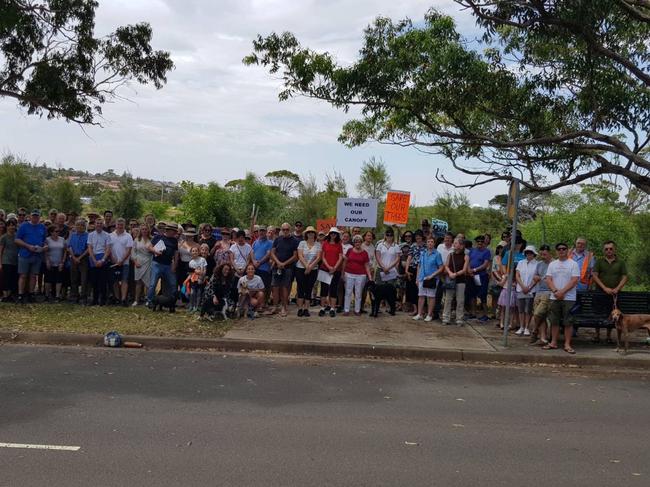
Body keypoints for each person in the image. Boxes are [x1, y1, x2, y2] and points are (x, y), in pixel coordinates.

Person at [543, 243, 580, 354]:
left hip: (569, 297)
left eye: (564, 249)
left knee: (568, 322)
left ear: (567, 250)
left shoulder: (573, 264)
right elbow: (548, 279)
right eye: (559, 249)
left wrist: (562, 292)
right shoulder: (552, 264)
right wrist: (555, 291)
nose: (561, 250)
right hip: (554, 297)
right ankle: (553, 342)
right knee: (554, 320)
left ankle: (567, 344)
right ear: (556, 251)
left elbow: (574, 280)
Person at [592, 240, 628, 344]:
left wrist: (617, 288)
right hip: (600, 292)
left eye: (611, 249)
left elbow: (625, 277)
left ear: (614, 249)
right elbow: (594, 275)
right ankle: (597, 335)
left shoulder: (621, 262)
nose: (609, 251)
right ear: (604, 250)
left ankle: (608, 336)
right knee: (597, 313)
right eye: (606, 249)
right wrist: (604, 288)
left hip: (614, 293)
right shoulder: (599, 262)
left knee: (612, 314)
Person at [15, 209, 48, 303]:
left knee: (34, 276)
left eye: (37, 216)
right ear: (30, 216)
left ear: (39, 217)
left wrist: (45, 246)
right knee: (23, 275)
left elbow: (45, 240)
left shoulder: (42, 227)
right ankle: (21, 295)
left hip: (37, 255)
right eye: (33, 216)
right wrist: (28, 246)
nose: (35, 217)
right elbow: (17, 240)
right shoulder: (23, 226)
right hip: (24, 254)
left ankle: (31, 294)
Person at [270, 222, 299, 317]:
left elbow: (295, 256)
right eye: (283, 229)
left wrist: (284, 263)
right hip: (276, 267)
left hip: (288, 268)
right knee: (275, 287)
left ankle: (284, 307)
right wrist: (278, 262)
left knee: (285, 287)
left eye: (287, 229)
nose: (285, 231)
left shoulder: (294, 241)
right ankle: (275, 306)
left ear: (290, 230)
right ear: (281, 230)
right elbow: (273, 252)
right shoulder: (277, 239)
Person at [147, 224, 179, 306]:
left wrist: (175, 264)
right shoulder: (158, 237)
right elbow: (149, 247)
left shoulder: (174, 240)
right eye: (174, 231)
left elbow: (176, 253)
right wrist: (155, 251)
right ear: (169, 230)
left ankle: (172, 301)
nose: (175, 233)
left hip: (168, 265)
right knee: (153, 284)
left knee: (173, 283)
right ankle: (150, 301)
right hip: (157, 264)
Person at [414, 235, 445, 321]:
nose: (430, 243)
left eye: (432, 242)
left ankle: (429, 314)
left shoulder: (437, 254)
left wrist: (432, 275)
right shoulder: (423, 253)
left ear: (434, 243)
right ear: (426, 243)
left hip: (432, 279)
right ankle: (419, 313)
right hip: (422, 278)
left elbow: (441, 267)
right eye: (428, 242)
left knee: (431, 296)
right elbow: (419, 266)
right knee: (421, 296)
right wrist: (417, 278)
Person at [343, 234, 373, 316]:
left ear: (361, 242)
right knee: (348, 292)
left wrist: (369, 276)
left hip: (361, 275)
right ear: (353, 242)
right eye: (356, 242)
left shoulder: (365, 253)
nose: (357, 243)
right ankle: (346, 309)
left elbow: (367, 265)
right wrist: (343, 273)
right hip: (349, 273)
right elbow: (345, 262)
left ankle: (357, 310)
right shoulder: (349, 250)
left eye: (359, 242)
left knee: (358, 293)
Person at [295, 226, 322, 317]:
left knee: (309, 288)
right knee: (301, 288)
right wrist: (307, 266)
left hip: (313, 269)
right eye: (309, 232)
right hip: (300, 268)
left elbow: (318, 257)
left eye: (312, 232)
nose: (310, 233)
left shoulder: (318, 244)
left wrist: (310, 267)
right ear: (306, 234)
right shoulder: (302, 243)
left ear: (315, 234)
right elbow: (300, 255)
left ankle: (306, 309)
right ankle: (300, 309)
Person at [529, 244, 553, 345]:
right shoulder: (539, 264)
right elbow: (535, 275)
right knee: (541, 316)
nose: (543, 256)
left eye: (545, 254)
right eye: (542, 254)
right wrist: (536, 278)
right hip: (539, 291)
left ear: (549, 253)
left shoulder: (554, 264)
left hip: (549, 292)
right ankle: (543, 337)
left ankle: (534, 330)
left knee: (538, 313)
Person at [442, 238, 469, 326]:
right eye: (454, 243)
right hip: (450, 279)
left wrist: (455, 274)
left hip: (460, 280)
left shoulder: (466, 256)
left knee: (460, 300)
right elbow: (446, 265)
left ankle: (459, 319)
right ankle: (446, 317)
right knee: (448, 299)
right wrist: (450, 273)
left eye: (456, 243)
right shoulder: (451, 255)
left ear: (461, 246)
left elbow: (464, 270)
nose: (454, 244)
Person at [318, 227, 343, 318]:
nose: (333, 235)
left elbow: (340, 257)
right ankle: (322, 307)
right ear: (329, 234)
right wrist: (329, 267)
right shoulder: (325, 243)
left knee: (333, 289)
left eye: (335, 233)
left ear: (337, 235)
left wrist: (335, 267)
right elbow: (323, 257)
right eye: (332, 233)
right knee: (324, 289)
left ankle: (332, 309)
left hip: (336, 270)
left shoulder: (339, 244)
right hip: (325, 269)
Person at [515, 245, 539, 336]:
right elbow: (517, 275)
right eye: (527, 253)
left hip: (531, 290)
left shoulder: (537, 264)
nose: (528, 254)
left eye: (530, 253)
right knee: (521, 309)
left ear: (534, 254)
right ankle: (521, 326)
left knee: (528, 309)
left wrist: (529, 287)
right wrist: (522, 286)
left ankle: (527, 327)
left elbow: (536, 278)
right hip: (520, 288)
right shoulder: (521, 262)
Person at [87, 218, 112, 306]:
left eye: (101, 223)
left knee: (103, 281)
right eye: (97, 223)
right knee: (94, 281)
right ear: (95, 224)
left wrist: (102, 260)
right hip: (93, 257)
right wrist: (94, 260)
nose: (99, 225)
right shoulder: (90, 235)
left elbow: (108, 249)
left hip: (103, 257)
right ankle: (95, 299)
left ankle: (103, 300)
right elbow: (89, 248)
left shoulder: (107, 235)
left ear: (103, 225)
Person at [109, 218, 134, 306]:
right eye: (118, 225)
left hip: (125, 263)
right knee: (115, 281)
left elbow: (129, 250)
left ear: (124, 225)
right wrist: (113, 260)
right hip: (113, 262)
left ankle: (123, 299)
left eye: (122, 225)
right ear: (116, 225)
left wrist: (122, 260)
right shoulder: (110, 235)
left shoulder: (128, 236)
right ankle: (117, 298)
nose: (120, 226)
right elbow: (109, 249)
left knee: (124, 280)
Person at [468, 235, 492, 321]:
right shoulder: (472, 251)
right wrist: (469, 270)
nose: (480, 244)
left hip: (482, 276)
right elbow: (468, 261)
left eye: (481, 242)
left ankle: (485, 314)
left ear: (484, 243)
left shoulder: (487, 252)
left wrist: (474, 269)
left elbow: (485, 264)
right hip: (472, 275)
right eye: (478, 242)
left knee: (483, 295)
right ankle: (473, 313)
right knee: (472, 294)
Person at [68, 219, 89, 304]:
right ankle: (74, 296)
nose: (79, 226)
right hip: (73, 258)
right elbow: (69, 247)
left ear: (84, 227)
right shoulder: (72, 235)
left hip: (83, 258)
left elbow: (88, 249)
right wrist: (73, 257)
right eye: (78, 225)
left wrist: (80, 258)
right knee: (74, 278)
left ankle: (83, 297)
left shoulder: (88, 235)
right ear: (75, 226)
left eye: (81, 225)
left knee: (84, 279)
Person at [405, 230, 426, 315]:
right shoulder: (413, 246)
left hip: (422, 270)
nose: (418, 237)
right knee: (412, 289)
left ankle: (423, 309)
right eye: (416, 236)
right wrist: (406, 270)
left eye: (419, 236)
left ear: (422, 237)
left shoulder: (426, 246)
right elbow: (409, 258)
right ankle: (415, 309)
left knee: (421, 289)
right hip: (412, 269)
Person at [132, 224, 153, 306]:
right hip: (139, 261)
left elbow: (155, 250)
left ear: (148, 230)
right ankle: (136, 300)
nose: (144, 231)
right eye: (142, 229)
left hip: (148, 261)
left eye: (145, 229)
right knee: (138, 282)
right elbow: (133, 251)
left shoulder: (152, 239)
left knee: (148, 282)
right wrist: (135, 261)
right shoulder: (137, 240)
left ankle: (148, 299)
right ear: (140, 230)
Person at [44, 225, 66, 301]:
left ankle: (57, 296)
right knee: (48, 279)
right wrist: (47, 261)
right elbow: (45, 251)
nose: (58, 233)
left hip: (59, 262)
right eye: (56, 231)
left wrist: (62, 262)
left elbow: (65, 251)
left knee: (59, 279)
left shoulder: (62, 239)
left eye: (58, 231)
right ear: (51, 232)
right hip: (50, 262)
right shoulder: (47, 240)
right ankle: (47, 295)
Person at [0, 219, 19, 301]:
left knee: (13, 278)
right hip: (6, 260)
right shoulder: (3, 237)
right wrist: (0, 263)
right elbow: (0, 251)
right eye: (10, 225)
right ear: (7, 227)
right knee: (6, 279)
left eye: (13, 225)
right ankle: (5, 296)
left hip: (16, 261)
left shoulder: (17, 236)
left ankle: (10, 295)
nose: (11, 227)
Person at [187, 246, 207, 312]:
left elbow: (204, 270)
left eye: (196, 251)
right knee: (192, 293)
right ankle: (191, 305)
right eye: (193, 251)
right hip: (193, 280)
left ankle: (197, 306)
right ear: (191, 253)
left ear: (199, 252)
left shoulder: (202, 260)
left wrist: (202, 277)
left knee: (199, 293)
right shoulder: (190, 262)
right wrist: (187, 281)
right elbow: (190, 273)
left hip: (201, 279)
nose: (194, 252)